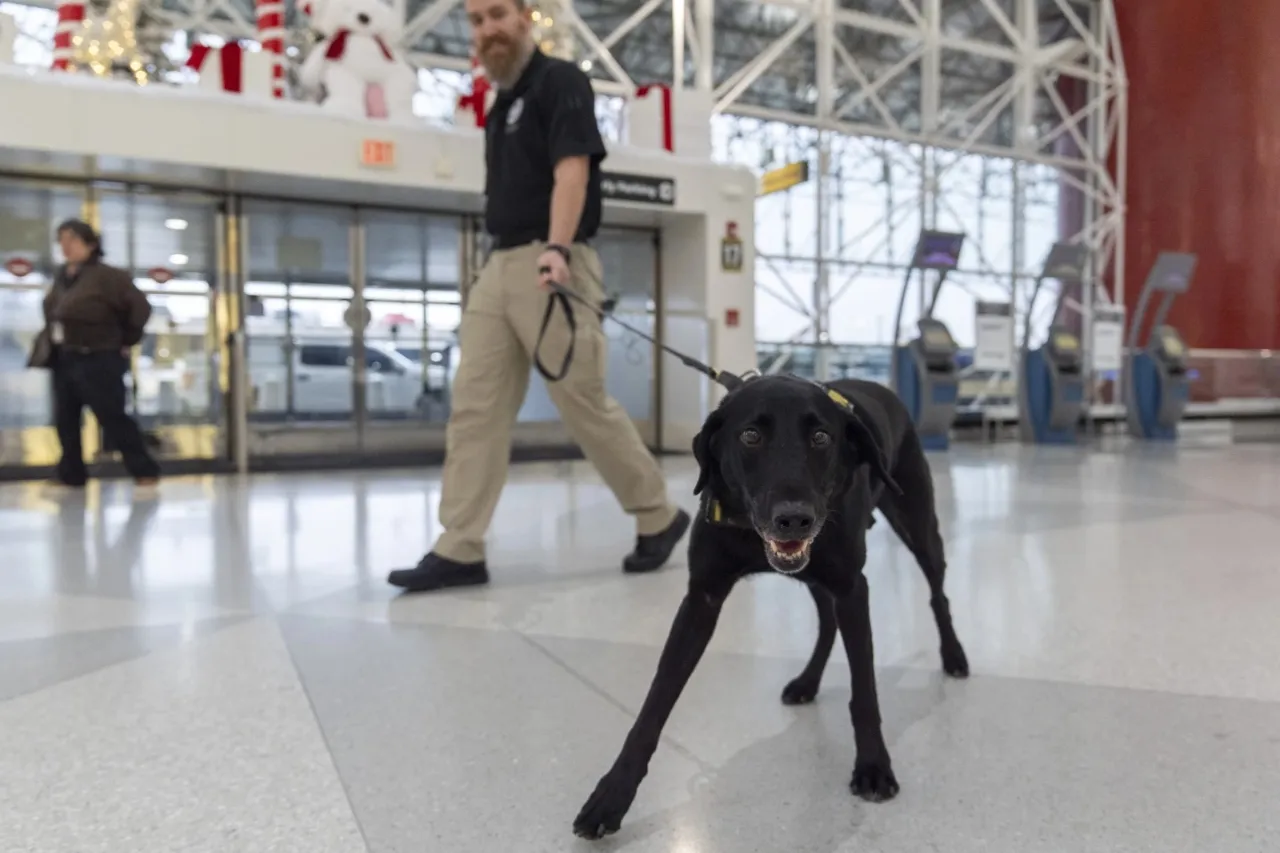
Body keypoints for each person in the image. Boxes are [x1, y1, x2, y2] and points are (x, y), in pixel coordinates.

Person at [388, 0, 690, 592]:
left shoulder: (560, 81)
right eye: (476, 21)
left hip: (551, 260)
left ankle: (657, 514)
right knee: (475, 407)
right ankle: (460, 546)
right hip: (499, 265)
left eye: (497, 15)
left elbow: (571, 171)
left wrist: (557, 247)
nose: (487, 30)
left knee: (583, 401)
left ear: (526, 17)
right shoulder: (500, 105)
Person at [30, 219, 160, 493]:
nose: (66, 246)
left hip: (99, 357)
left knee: (111, 415)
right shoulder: (63, 276)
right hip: (65, 356)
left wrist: (126, 340)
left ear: (90, 244)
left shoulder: (109, 276)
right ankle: (72, 473)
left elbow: (140, 309)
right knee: (65, 417)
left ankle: (144, 469)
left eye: (72, 240)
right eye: (62, 240)